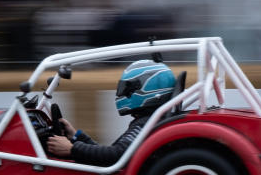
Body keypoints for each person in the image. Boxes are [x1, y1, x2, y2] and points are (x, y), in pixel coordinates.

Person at [47, 60, 177, 166]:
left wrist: (71, 149)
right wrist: (76, 136)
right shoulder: (152, 119)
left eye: (127, 88)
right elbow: (109, 154)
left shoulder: (147, 122)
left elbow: (114, 155)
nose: (122, 93)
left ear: (150, 90)